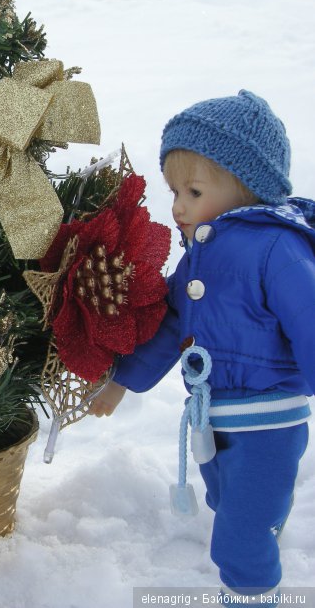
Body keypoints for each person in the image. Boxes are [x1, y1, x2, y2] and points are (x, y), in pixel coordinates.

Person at [89, 90, 313, 600]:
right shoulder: (199, 259)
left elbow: (309, 317)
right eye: (173, 192)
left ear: (246, 186)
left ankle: (253, 592)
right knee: (225, 501)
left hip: (268, 421)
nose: (178, 207)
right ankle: (255, 549)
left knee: (241, 536)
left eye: (192, 191)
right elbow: (171, 325)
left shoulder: (277, 248)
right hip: (214, 419)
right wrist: (123, 382)